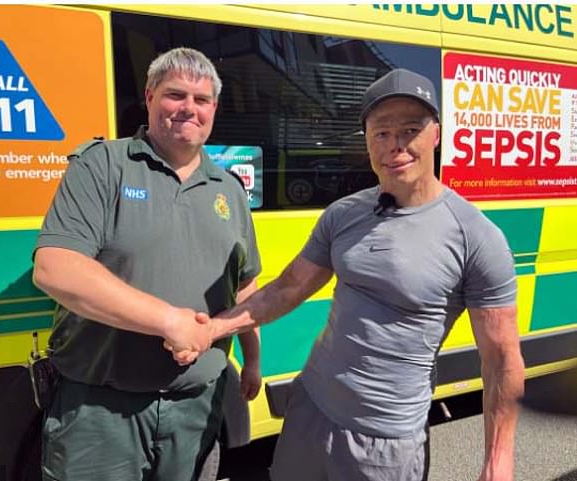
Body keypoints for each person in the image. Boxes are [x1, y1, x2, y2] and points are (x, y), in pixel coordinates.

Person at [168, 68, 525, 481]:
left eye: (411, 130)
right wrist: (211, 328)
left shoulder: (475, 236)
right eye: (381, 133)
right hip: (310, 412)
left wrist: (498, 461)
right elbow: (287, 289)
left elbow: (501, 360)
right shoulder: (345, 214)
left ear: (436, 134)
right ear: (368, 142)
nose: (396, 146)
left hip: (385, 442)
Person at [32, 47, 262, 481]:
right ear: (150, 96)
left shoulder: (229, 189)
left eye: (202, 99)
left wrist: (252, 362)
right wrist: (168, 322)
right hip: (101, 411)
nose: (188, 109)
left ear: (214, 108)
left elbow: (244, 286)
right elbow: (55, 267)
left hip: (196, 407)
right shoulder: (103, 165)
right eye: (175, 95)